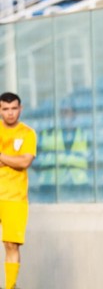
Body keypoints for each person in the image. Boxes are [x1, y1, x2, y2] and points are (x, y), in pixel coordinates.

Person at [0, 92, 37, 289]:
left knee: (11, 245)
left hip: (15, 197)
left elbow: (25, 161)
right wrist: (12, 159)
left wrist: (1, 156)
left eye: (14, 108)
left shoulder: (27, 133)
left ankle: (9, 286)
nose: (10, 113)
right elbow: (19, 160)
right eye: (5, 109)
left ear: (20, 109)